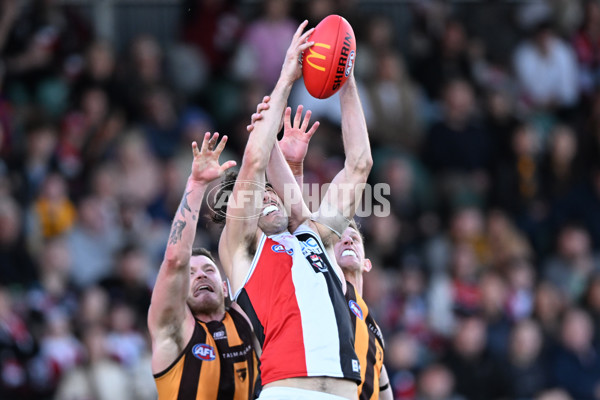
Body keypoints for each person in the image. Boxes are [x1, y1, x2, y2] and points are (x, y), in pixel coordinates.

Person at [216, 20, 372, 400]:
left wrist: (345, 79)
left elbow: (359, 165)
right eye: (261, 197)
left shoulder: (315, 237)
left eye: (274, 194)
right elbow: (252, 165)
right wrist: (287, 77)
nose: (268, 196)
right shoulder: (242, 250)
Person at [249, 99, 392, 400]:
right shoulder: (319, 275)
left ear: (367, 263)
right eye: (341, 235)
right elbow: (299, 235)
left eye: (356, 236)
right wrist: (286, 162)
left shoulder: (371, 323)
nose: (348, 239)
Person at [148, 132, 259, 399]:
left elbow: (248, 242)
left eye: (209, 270)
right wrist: (197, 184)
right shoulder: (173, 329)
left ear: (224, 286)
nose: (200, 275)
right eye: (192, 274)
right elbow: (175, 260)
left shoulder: (246, 319)